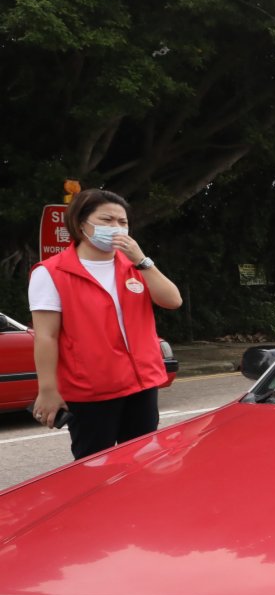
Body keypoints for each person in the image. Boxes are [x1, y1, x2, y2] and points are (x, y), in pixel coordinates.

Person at [29, 189, 182, 459]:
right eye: (107, 220)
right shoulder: (51, 272)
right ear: (80, 224)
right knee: (94, 465)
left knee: (143, 461)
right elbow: (46, 336)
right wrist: (48, 390)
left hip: (141, 385)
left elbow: (173, 300)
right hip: (91, 392)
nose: (116, 228)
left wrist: (142, 260)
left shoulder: (135, 266)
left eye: (123, 222)